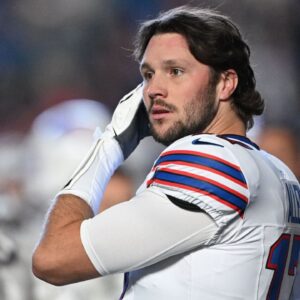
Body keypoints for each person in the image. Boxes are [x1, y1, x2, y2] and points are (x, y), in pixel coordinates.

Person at [32, 6, 300, 299]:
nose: (153, 90)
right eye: (148, 74)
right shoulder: (280, 172)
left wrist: (109, 146)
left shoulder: (209, 159)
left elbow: (53, 258)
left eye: (175, 72)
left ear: (225, 83)